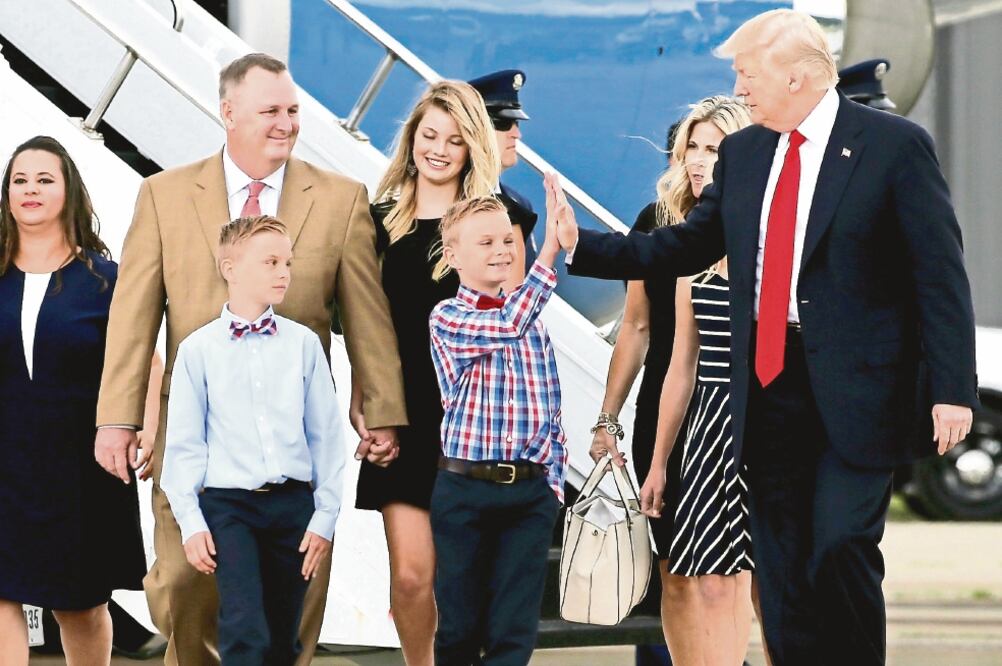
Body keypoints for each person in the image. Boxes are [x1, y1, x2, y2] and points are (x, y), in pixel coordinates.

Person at [562, 9, 977, 665]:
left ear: (795, 75)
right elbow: (689, 243)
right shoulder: (746, 152)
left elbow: (940, 274)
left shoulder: (892, 145)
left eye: (747, 73)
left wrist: (953, 389)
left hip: (859, 389)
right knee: (782, 564)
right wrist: (584, 246)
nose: (739, 87)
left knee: (839, 543)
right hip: (766, 383)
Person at [93, 53, 407, 666]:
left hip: (293, 446)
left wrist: (383, 408)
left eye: (292, 110)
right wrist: (117, 417)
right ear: (229, 113)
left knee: (291, 602)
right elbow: (132, 319)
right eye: (270, 111)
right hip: (195, 437)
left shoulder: (342, 200)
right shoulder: (164, 195)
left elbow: (369, 319)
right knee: (184, 584)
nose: (286, 123)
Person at [351, 80, 524, 666]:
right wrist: (366, 398)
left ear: (472, 147)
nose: (439, 150)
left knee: (465, 580)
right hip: (403, 414)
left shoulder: (500, 221)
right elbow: (367, 322)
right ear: (412, 139)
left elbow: (513, 322)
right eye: (429, 135)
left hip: (475, 419)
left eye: (454, 140)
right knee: (411, 577)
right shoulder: (379, 222)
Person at [593, 97, 755, 663]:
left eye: (715, 149)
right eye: (693, 146)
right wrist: (608, 418)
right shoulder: (656, 222)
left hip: (733, 410)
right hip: (663, 406)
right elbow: (635, 326)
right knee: (674, 569)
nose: (699, 159)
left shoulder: (752, 226)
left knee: (732, 573)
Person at [161, 215, 345, 665]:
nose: (284, 272)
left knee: (283, 637)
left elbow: (325, 436)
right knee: (244, 627)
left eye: (288, 262)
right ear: (230, 268)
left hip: (293, 505)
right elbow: (184, 444)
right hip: (230, 508)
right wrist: (191, 521)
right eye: (270, 262)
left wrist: (324, 516)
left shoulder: (303, 345)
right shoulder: (198, 350)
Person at [0, 136, 146, 664]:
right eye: (20, 180)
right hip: (4, 459)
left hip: (80, 465)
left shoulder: (106, 279)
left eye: (45, 179)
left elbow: (143, 363)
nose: (31, 189)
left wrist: (144, 430)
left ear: (69, 192)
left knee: (79, 604)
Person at [428, 185, 573, 666]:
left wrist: (552, 482)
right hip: (465, 491)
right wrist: (549, 251)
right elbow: (507, 325)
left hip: (528, 493)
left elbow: (549, 404)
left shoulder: (535, 325)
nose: (502, 251)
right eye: (486, 242)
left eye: (508, 241)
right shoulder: (448, 317)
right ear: (454, 256)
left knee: (514, 631)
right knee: (459, 627)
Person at [468, 69, 538, 266]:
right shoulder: (450, 203)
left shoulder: (520, 204)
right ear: (474, 129)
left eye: (516, 123)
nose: (516, 134)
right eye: (504, 123)